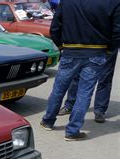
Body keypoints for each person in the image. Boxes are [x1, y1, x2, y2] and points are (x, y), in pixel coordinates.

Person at [40, 0, 120, 141]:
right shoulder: (113, 2)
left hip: (71, 50)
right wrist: (109, 50)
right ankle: (72, 131)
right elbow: (116, 31)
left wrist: (60, 46)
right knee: (85, 92)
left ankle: (48, 121)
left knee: (59, 88)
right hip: (96, 52)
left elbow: (55, 27)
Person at [58, 49, 118, 123]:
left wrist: (111, 47)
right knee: (78, 75)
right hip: (88, 44)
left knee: (105, 78)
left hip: (108, 45)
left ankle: (100, 110)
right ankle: (70, 105)